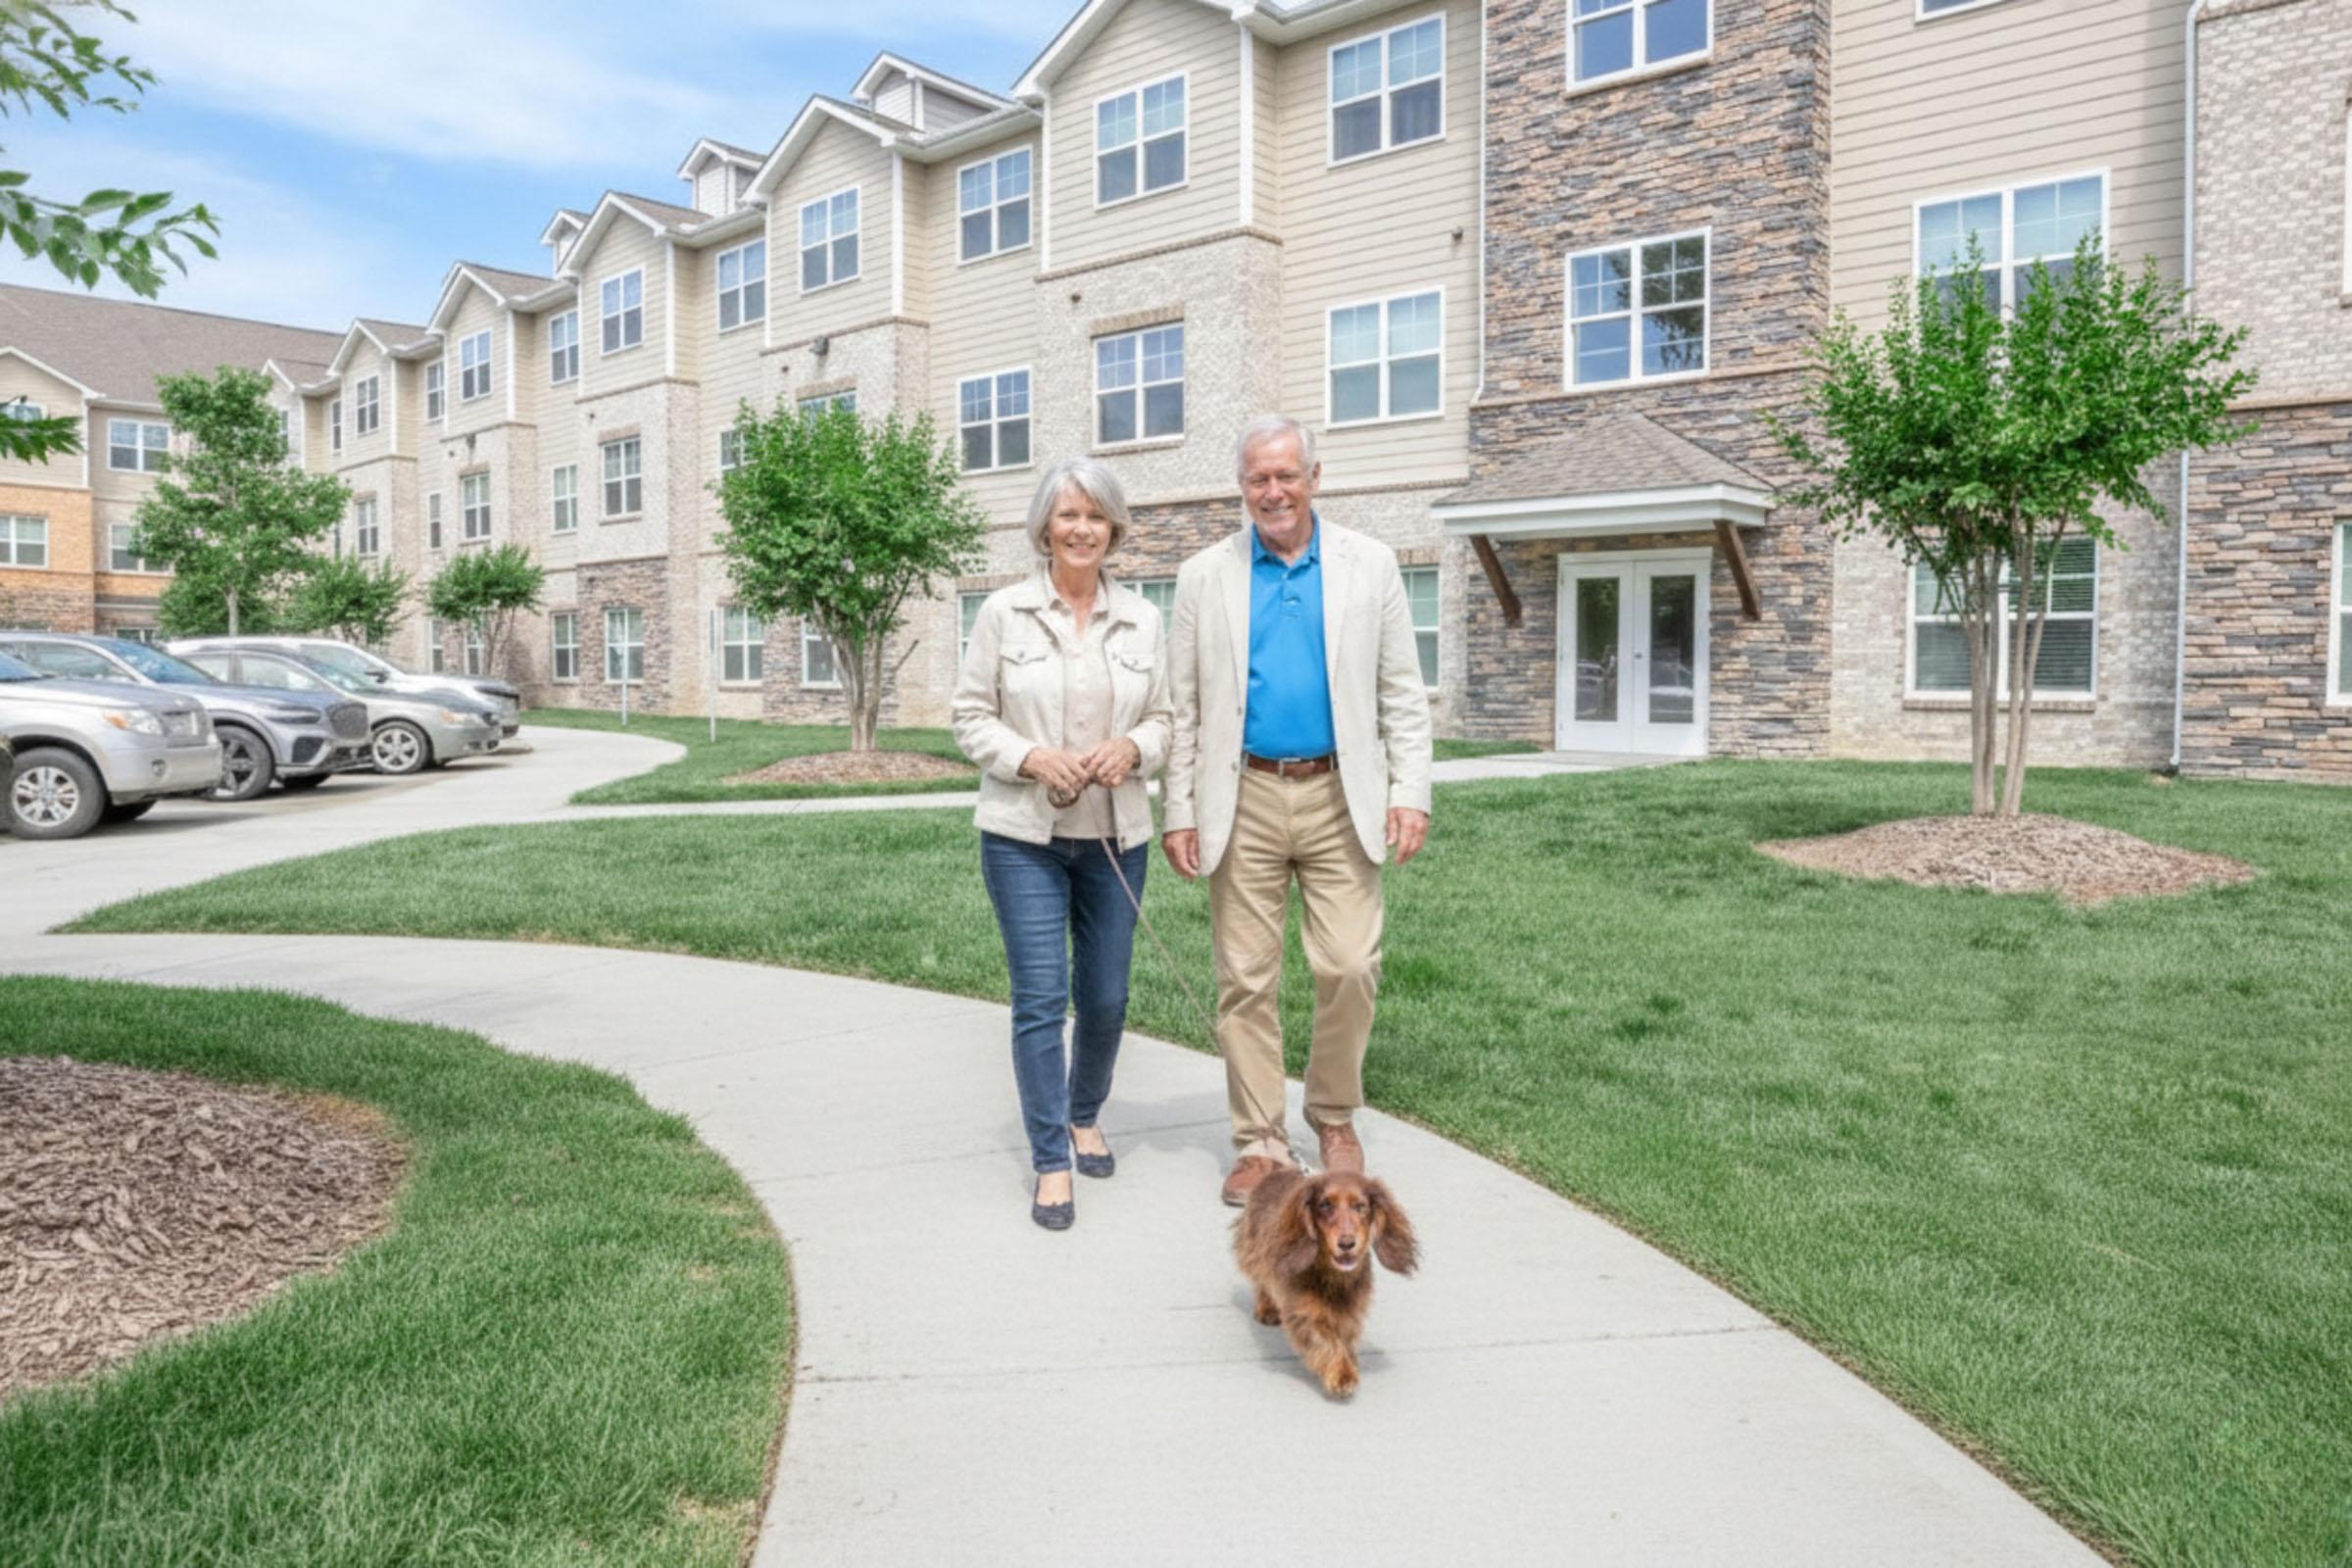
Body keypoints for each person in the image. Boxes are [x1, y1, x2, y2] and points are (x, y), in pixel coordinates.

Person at [1161, 415, 1433, 1207]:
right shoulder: (1202, 575)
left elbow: (1400, 696)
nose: (1272, 491)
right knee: (1245, 977)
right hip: (1238, 794)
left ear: (1316, 475)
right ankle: (1261, 1143)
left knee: (1349, 964)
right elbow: (1184, 706)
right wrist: (1178, 808)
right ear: (1241, 486)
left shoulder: (1370, 564)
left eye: (1286, 475)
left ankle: (1334, 1115)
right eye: (1257, 479)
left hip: (1338, 794)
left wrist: (1409, 792)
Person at [952, 458, 1172, 1231]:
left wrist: (1133, 750)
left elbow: (1169, 720)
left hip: (1116, 834)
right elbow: (970, 716)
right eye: (1069, 515)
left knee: (1107, 998)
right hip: (1025, 840)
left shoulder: (1143, 618)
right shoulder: (1004, 613)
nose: (1082, 529)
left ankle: (1086, 1113)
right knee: (1042, 998)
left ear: (1115, 530)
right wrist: (1031, 757)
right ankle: (1051, 1157)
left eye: (1097, 517)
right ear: (1045, 525)